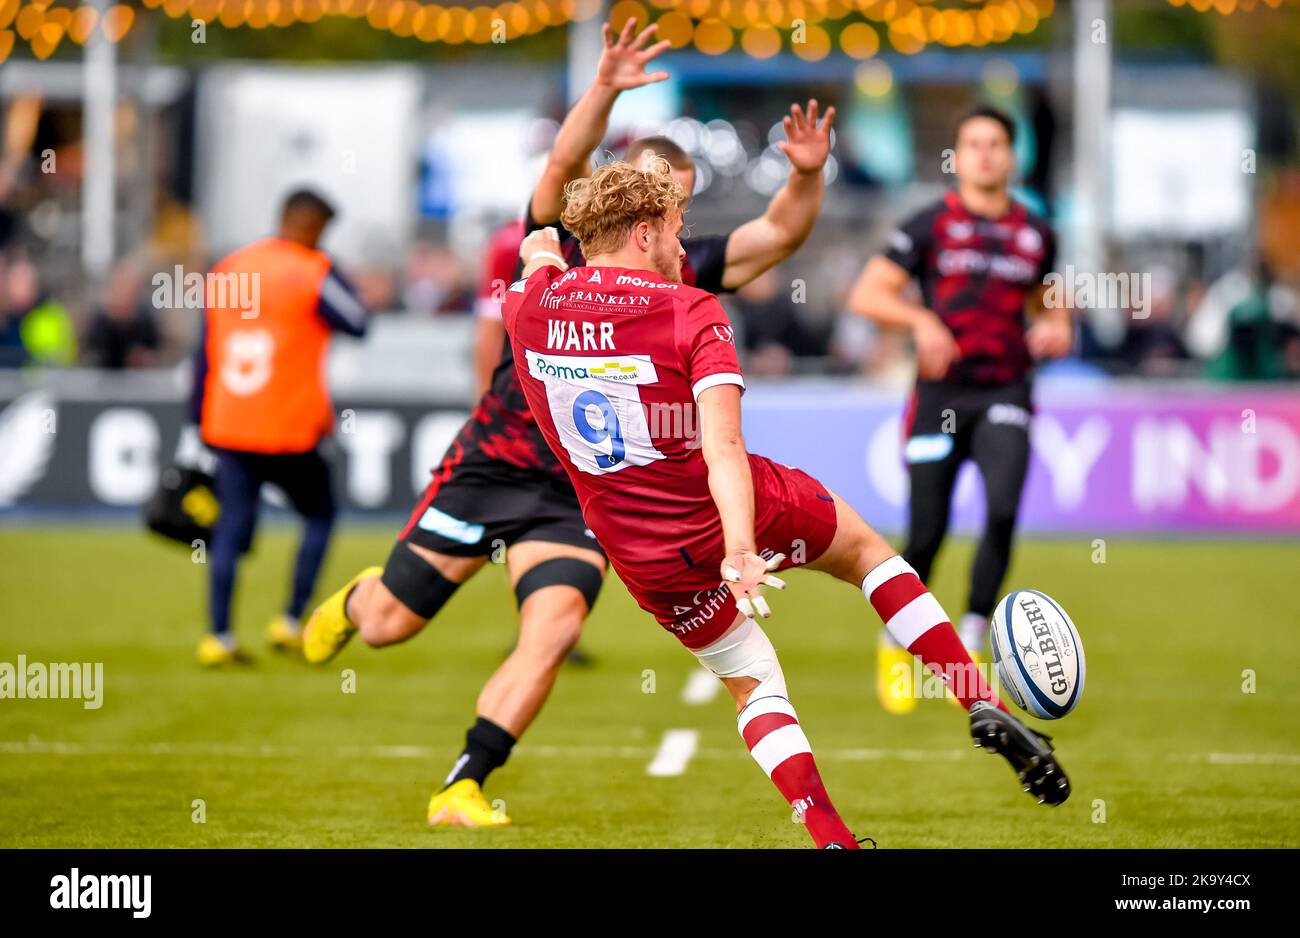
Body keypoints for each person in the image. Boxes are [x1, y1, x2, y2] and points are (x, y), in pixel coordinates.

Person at [302, 20, 835, 829]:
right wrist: (608, 85)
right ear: (634, 205)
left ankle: (465, 782)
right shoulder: (561, 246)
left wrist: (807, 174)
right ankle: (357, 601)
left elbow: (783, 232)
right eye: (665, 205)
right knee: (387, 627)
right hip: (493, 465)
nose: (675, 224)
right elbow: (560, 164)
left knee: (552, 630)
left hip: (583, 497)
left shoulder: (687, 279)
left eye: (683, 207)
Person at [503, 159, 1069, 847]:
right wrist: (740, 546)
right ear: (645, 232)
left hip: (640, 552)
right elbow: (723, 445)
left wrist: (538, 252)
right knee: (866, 554)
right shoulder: (691, 310)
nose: (687, 249)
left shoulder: (529, 308)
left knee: (754, 686)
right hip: (723, 509)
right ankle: (976, 698)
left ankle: (832, 837)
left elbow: (537, 258)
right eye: (680, 231)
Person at [847, 104, 1072, 714]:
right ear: (957, 155)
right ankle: (897, 641)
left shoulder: (1036, 230)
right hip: (940, 397)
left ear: (1011, 155)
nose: (984, 153)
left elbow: (1050, 303)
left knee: (1001, 512)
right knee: (926, 535)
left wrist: (1057, 326)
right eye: (973, 143)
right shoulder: (928, 225)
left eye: (996, 143)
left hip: (1007, 391)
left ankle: (970, 642)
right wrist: (921, 320)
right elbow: (867, 293)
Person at [191, 188, 369, 666]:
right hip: (290, 424)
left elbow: (203, 350)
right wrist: (330, 267)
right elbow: (358, 320)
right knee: (320, 515)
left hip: (230, 420)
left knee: (229, 529)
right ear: (313, 227)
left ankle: (218, 637)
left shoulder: (230, 267)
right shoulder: (312, 270)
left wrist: (197, 417)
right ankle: (289, 621)